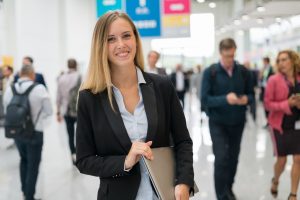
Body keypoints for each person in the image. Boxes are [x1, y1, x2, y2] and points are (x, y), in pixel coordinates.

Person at [75, 11, 194, 200]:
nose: (121, 45)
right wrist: (125, 161)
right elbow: (84, 160)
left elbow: (183, 141)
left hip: (164, 194)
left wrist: (184, 181)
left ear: (136, 40)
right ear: (100, 47)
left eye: (126, 36)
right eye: (111, 39)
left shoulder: (162, 86)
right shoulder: (90, 98)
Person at [201, 38, 254, 200]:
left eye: (232, 56)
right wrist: (225, 99)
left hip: (237, 122)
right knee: (221, 157)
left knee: (233, 157)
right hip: (217, 122)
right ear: (220, 53)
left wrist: (246, 99)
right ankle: (221, 195)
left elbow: (251, 95)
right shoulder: (211, 72)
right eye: (226, 56)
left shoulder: (244, 72)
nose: (229, 60)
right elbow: (204, 100)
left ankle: (228, 187)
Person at [3, 65, 52, 200]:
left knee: (23, 160)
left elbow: (7, 110)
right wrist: (37, 118)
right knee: (33, 164)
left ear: (20, 74)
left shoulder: (10, 89)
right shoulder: (39, 88)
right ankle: (29, 196)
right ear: (32, 74)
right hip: (35, 132)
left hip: (17, 131)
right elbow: (49, 111)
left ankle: (25, 191)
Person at [264, 50, 300, 200]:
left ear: (293, 60)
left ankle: (293, 194)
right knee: (282, 160)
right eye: (279, 60)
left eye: (284, 59)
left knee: (298, 159)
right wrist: (287, 103)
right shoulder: (274, 80)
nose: (281, 63)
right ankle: (276, 180)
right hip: (280, 125)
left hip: (297, 124)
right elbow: (267, 104)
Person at [56, 58, 81, 164]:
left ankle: (73, 155)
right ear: (76, 65)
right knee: (81, 134)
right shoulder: (80, 76)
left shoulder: (61, 78)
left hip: (66, 110)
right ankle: (82, 154)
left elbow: (58, 96)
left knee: (70, 134)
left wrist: (58, 112)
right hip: (79, 110)